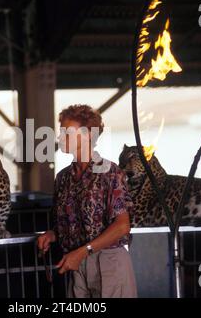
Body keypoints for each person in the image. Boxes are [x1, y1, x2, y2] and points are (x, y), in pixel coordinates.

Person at [37, 104, 138, 298]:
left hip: (108, 262)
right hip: (76, 264)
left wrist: (84, 251)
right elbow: (71, 224)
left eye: (66, 133)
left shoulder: (110, 172)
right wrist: (52, 235)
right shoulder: (63, 178)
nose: (60, 138)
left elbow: (122, 226)